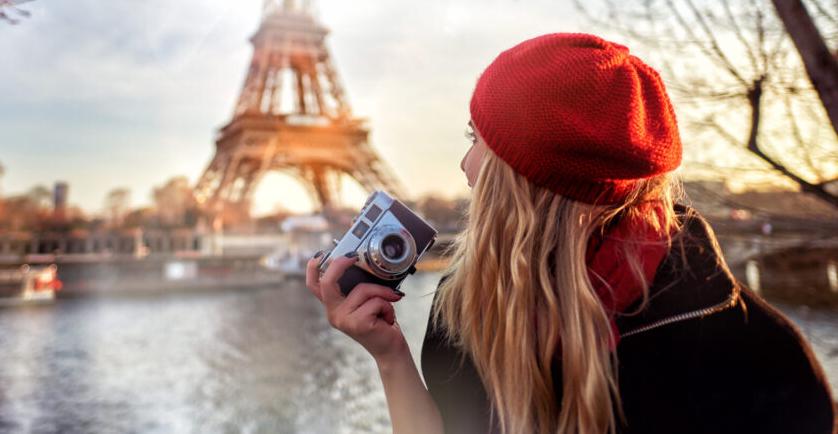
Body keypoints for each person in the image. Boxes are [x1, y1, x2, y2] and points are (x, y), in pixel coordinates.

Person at [306, 32, 836, 433]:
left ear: (529, 181)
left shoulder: (758, 361)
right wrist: (390, 356)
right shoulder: (462, 308)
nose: (465, 166)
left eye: (480, 140)